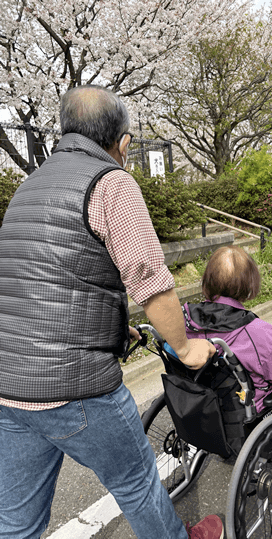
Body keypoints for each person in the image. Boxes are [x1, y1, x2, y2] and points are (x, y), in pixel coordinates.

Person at [0, 85, 222, 538]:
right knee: (137, 482)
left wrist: (122, 333)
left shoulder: (29, 186)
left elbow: (52, 284)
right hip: (75, 386)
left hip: (7, 383)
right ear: (121, 143)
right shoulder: (111, 182)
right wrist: (183, 347)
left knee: (17, 522)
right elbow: (149, 279)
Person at [180, 245, 272, 413]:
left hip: (198, 406)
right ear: (249, 284)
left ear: (208, 279)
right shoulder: (258, 332)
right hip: (244, 413)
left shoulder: (182, 322)